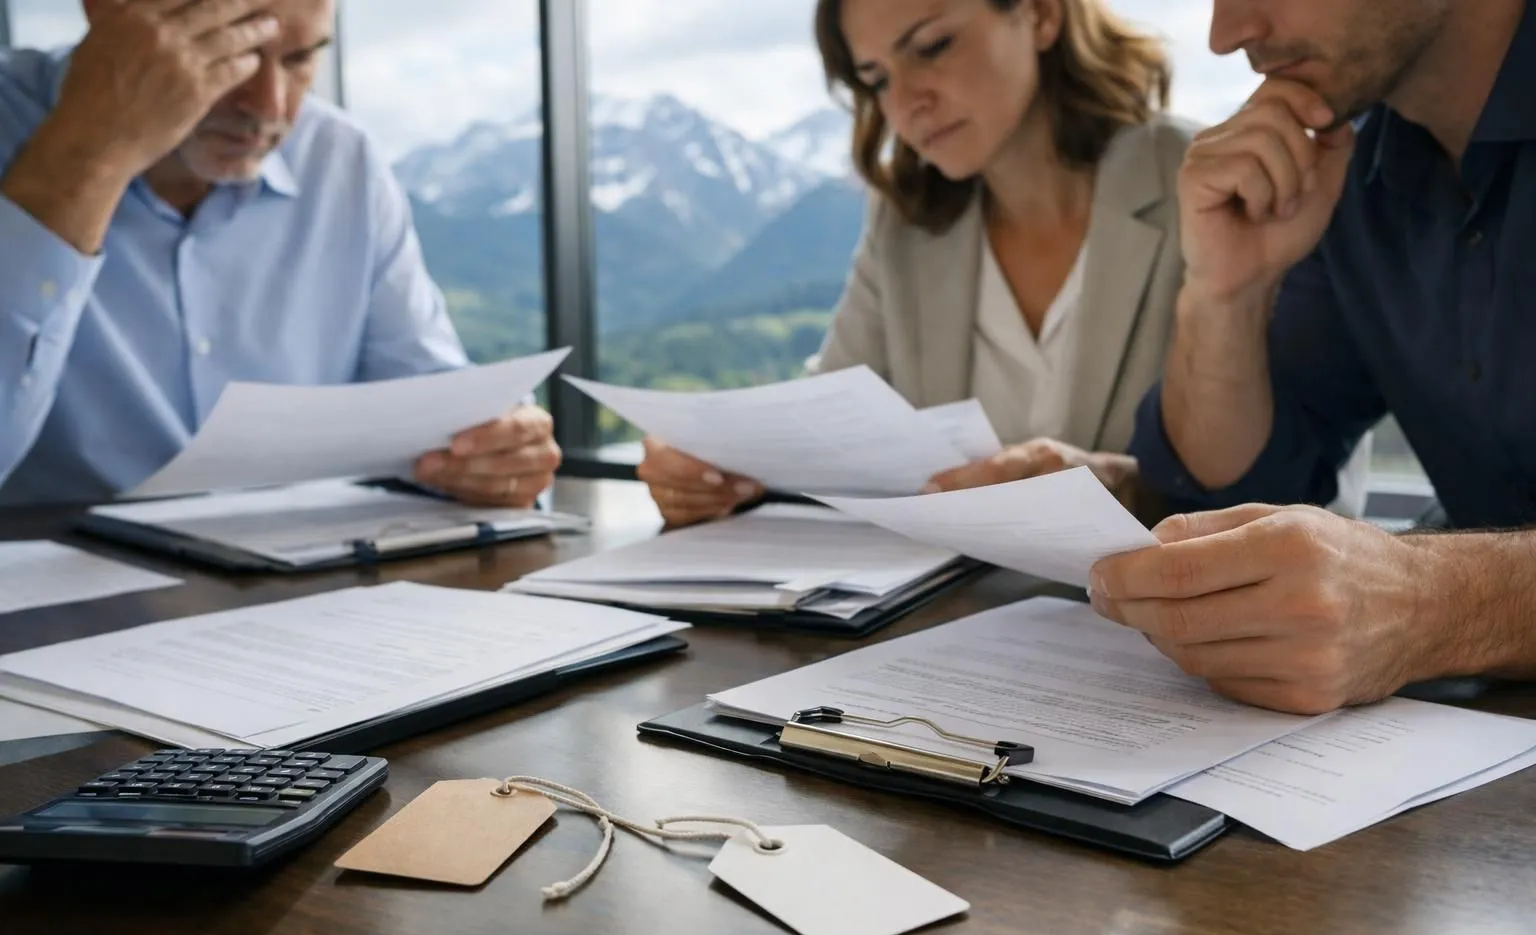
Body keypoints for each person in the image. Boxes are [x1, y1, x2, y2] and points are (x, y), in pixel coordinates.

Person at [1089, 0, 1536, 714]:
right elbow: (1229, 487)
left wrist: (1437, 603)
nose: (1227, 34)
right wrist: (1223, 293)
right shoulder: (1350, 171)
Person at [637, 0, 1191, 528]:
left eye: (932, 46)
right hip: (953, 615)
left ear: (1042, 13)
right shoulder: (906, 223)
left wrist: (1120, 485)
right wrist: (719, 466)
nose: (904, 104)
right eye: (877, 79)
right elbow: (828, 423)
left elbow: (1260, 482)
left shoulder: (1199, 184)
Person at [0, 0, 560, 507]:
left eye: (299, 60)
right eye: (232, 54)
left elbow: (432, 411)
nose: (268, 106)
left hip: (307, 588)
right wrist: (92, 150)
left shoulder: (342, 160)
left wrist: (494, 456)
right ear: (109, 13)